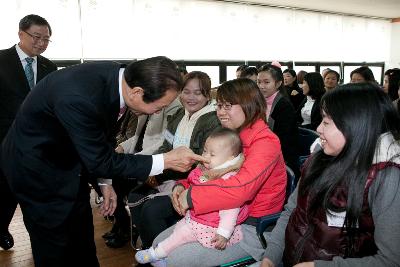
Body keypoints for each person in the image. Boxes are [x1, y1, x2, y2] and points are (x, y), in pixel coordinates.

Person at [0, 56, 207, 266]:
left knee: (81, 238)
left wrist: (104, 182)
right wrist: (166, 160)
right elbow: (100, 159)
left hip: (70, 162)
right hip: (36, 169)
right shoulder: (78, 96)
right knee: (54, 245)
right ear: (137, 93)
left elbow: (101, 137)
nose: (160, 111)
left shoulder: (119, 80)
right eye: (160, 106)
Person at [258, 82, 400, 267]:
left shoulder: (386, 178)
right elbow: (293, 212)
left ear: (356, 125)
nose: (318, 129)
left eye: (326, 122)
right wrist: (271, 255)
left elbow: (391, 260)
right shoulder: (319, 158)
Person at [153, 78, 287, 266]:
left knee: (175, 259)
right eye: (219, 105)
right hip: (216, 216)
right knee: (158, 245)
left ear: (249, 105)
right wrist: (182, 186)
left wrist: (191, 196)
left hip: (251, 225)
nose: (220, 112)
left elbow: (241, 189)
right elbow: (204, 170)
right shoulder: (231, 135)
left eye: (227, 106)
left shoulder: (265, 142)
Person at [128, 71, 221, 249]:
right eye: (186, 92)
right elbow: (166, 146)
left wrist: (162, 173)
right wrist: (155, 170)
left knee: (151, 210)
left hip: (193, 182)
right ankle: (150, 248)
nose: (191, 97)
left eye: (198, 92)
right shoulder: (179, 114)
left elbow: (199, 163)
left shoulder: (213, 121)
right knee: (134, 195)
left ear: (207, 95)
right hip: (171, 174)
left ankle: (163, 254)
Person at [135, 128, 246, 266]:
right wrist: (181, 186)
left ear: (230, 158)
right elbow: (190, 182)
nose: (206, 156)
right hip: (196, 219)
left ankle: (156, 254)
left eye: (212, 154)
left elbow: (230, 210)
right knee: (178, 230)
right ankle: (163, 257)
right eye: (205, 151)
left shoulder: (227, 180)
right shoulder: (209, 169)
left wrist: (224, 233)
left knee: (179, 236)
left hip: (210, 227)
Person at [0, 14, 57, 251]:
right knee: (4, 191)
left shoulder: (49, 67)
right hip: (4, 141)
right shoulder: (1, 60)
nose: (41, 43)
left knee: (35, 194)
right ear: (21, 34)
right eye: (37, 37)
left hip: (39, 145)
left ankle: (41, 241)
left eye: (46, 39)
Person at [102, 97, 182, 248]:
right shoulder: (146, 104)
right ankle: (123, 224)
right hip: (141, 157)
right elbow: (137, 138)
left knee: (116, 181)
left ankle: (125, 227)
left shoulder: (171, 106)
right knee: (107, 176)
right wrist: (122, 148)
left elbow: (163, 144)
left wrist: (134, 159)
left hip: (152, 160)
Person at [257, 64, 299, 178]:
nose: (261, 86)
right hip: (265, 151)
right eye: (259, 82)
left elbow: (284, 141)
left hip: (282, 158)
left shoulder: (284, 106)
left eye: (266, 82)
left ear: (278, 83)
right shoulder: (259, 102)